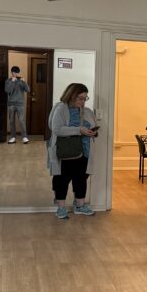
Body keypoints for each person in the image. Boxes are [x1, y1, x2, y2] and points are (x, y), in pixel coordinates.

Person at [47, 82, 97, 219]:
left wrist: (92, 132)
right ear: (71, 95)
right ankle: (61, 207)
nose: (82, 101)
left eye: (85, 98)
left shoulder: (86, 111)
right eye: (80, 98)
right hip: (66, 152)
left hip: (84, 151)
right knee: (62, 179)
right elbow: (57, 129)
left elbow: (92, 126)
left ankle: (80, 205)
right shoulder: (61, 108)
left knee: (81, 178)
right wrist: (78, 130)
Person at [5, 66, 31, 144]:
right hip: (11, 104)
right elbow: (7, 90)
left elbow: (28, 90)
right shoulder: (8, 81)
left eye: (17, 72)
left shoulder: (21, 81)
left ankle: (25, 137)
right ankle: (13, 137)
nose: (15, 74)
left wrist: (24, 82)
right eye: (14, 72)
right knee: (12, 121)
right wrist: (12, 82)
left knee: (22, 121)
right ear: (11, 72)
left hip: (20, 104)